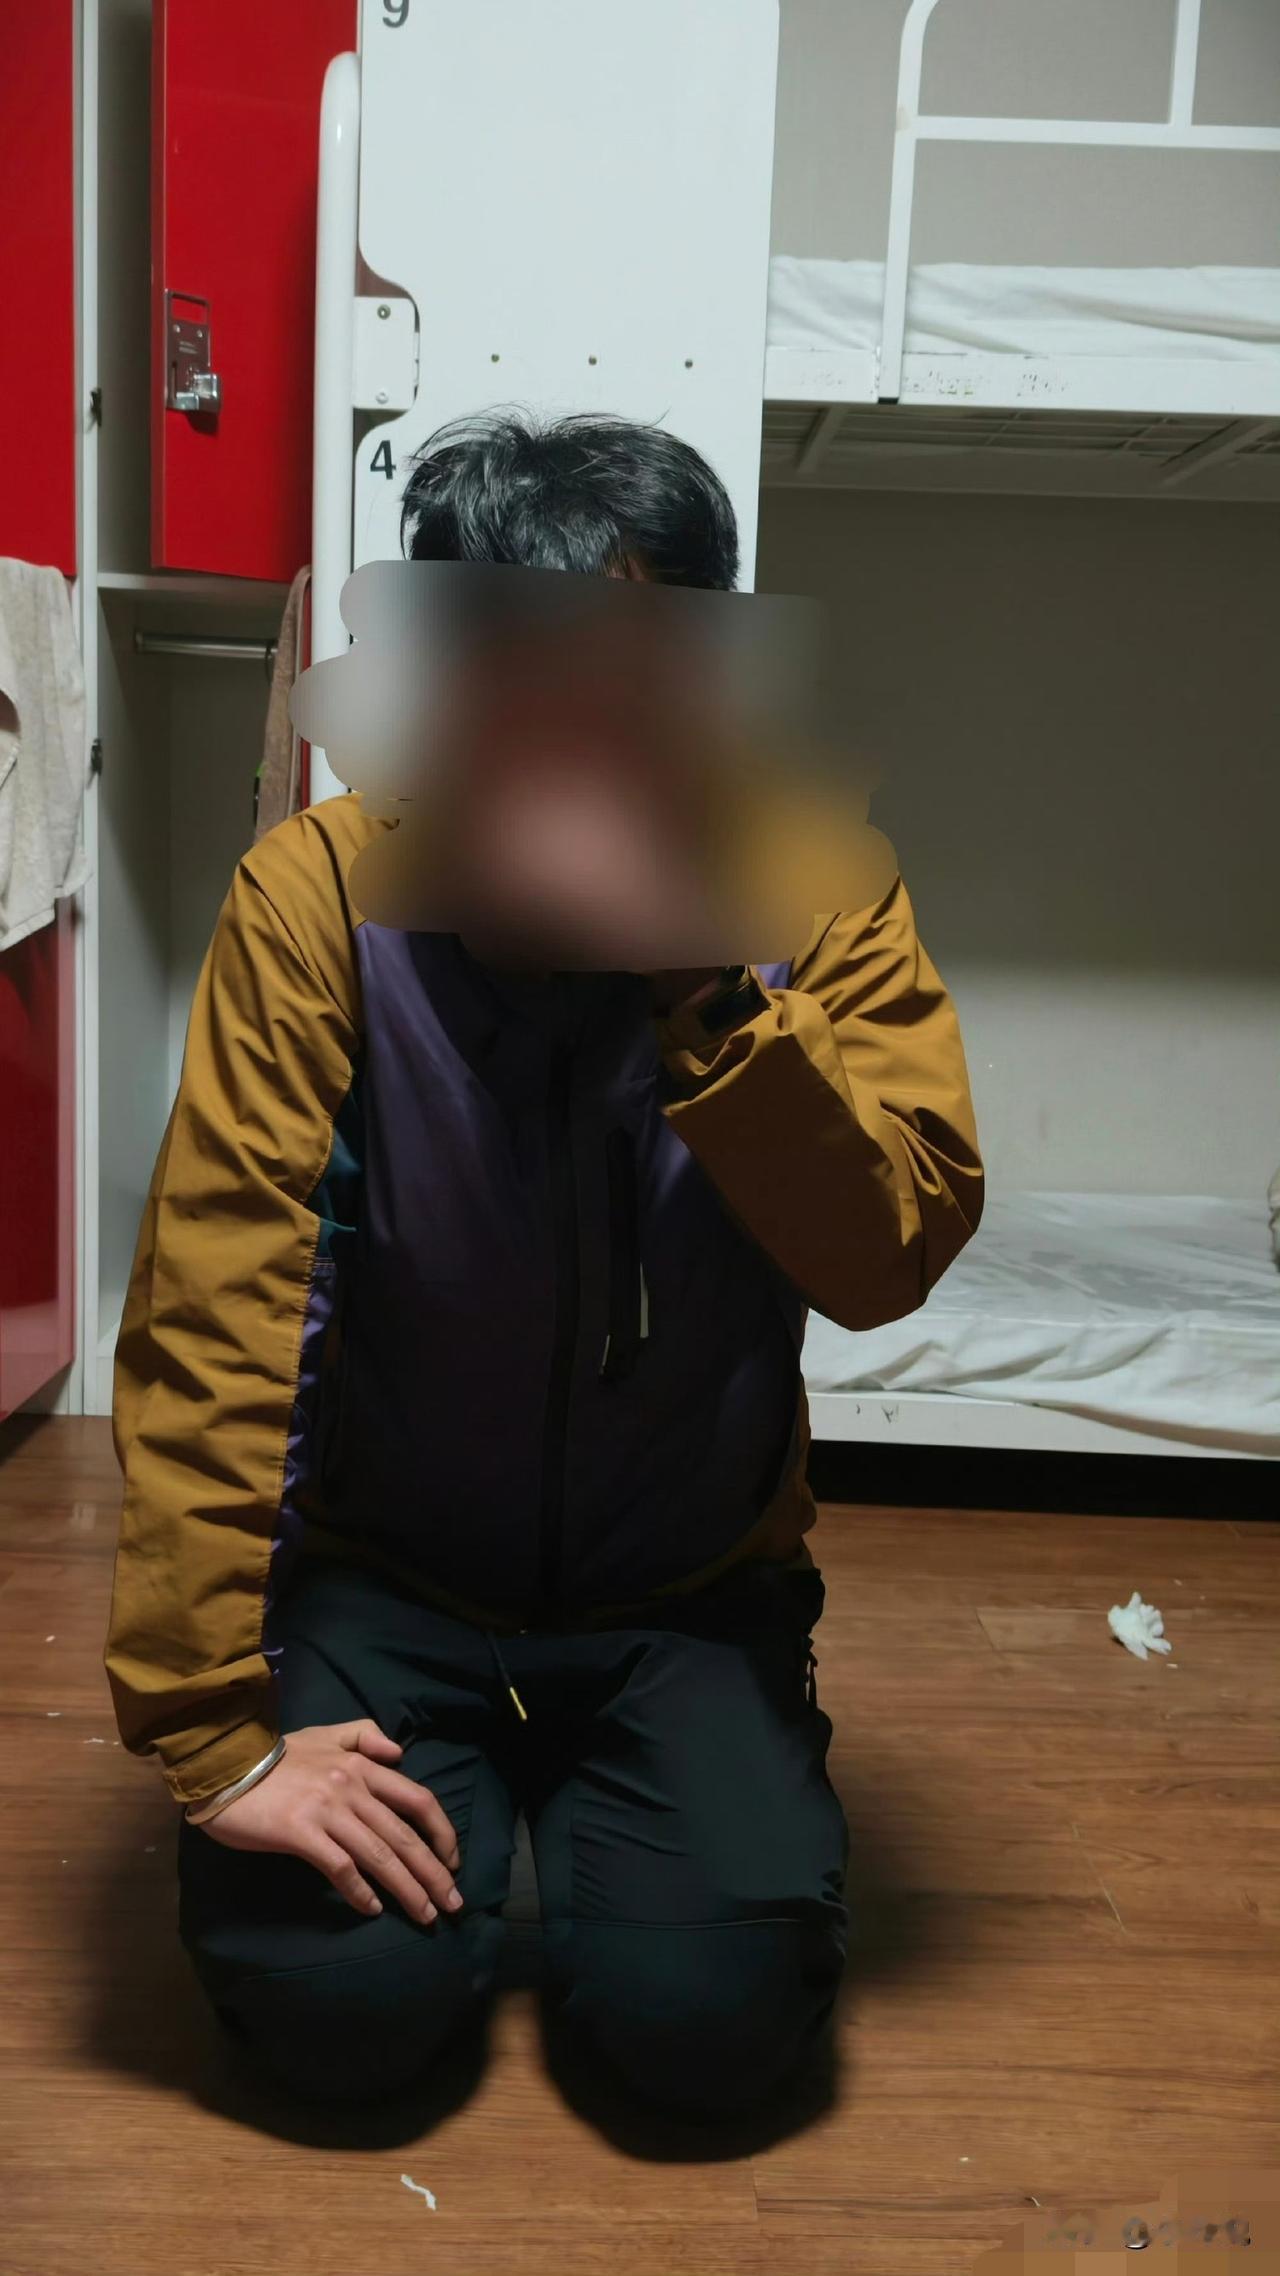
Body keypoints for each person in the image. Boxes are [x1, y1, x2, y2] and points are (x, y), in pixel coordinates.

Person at [104, 411, 984, 2122]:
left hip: (686, 1592)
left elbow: (890, 1252)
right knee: (333, 2018)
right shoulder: (320, 899)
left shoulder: (817, 888)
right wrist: (212, 1735)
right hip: (385, 1579)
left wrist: (709, 992)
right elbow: (221, 1314)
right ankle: (460, 1799)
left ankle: (639, 1805)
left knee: (705, 2036)